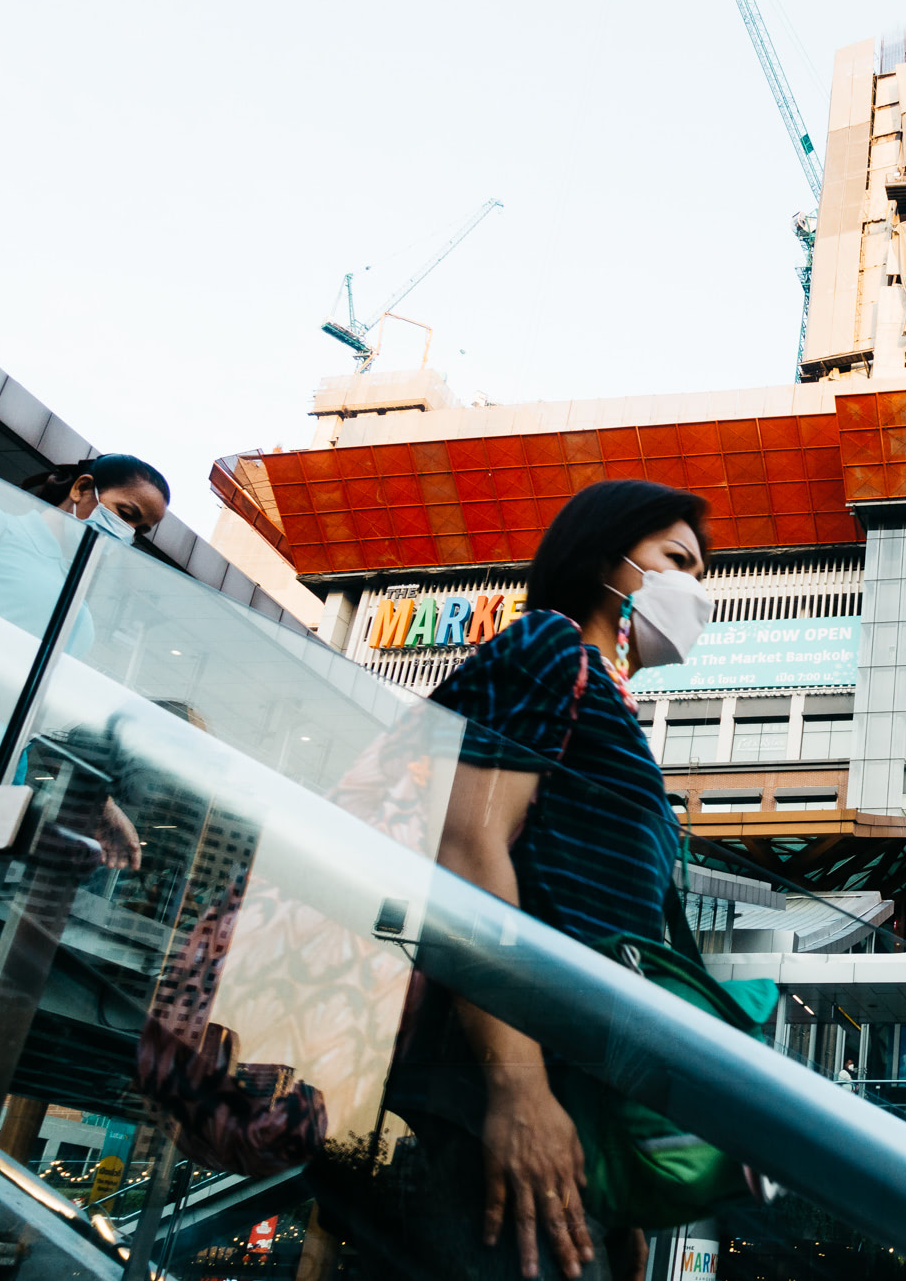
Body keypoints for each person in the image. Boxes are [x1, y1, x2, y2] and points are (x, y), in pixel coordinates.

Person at [378, 479, 712, 1281]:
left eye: (703, 573)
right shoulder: (548, 650)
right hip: (498, 1081)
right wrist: (517, 1090)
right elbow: (467, 852)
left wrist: (612, 1175)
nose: (696, 590)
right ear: (606, 555)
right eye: (678, 560)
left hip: (569, 1101)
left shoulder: (603, 694)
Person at [0, 453, 168, 863]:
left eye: (139, 529)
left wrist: (99, 803)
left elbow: (37, 721)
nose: (127, 533)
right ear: (81, 489)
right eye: (125, 514)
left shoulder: (81, 617)